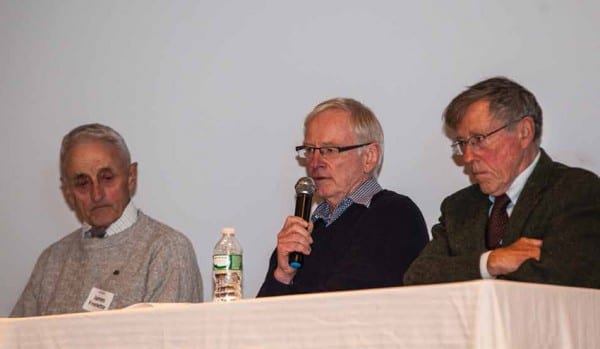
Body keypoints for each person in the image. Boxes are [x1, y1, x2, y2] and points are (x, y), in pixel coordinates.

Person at [404, 77, 600, 288]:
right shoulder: (458, 208)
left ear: (524, 132)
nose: (467, 157)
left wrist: (463, 273)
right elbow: (417, 277)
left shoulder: (575, 190)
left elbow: (561, 278)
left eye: (478, 140)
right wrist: (490, 262)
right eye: (462, 144)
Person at [11, 123, 203, 317]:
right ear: (68, 191)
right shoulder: (51, 261)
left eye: (107, 178)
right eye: (83, 183)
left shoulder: (166, 250)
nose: (97, 194)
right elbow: (13, 340)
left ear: (131, 177)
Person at [257, 98, 429, 297]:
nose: (315, 162)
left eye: (329, 150)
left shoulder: (394, 214)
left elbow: (347, 305)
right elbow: (261, 320)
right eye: (310, 150)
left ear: (369, 157)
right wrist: (283, 275)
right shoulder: (304, 231)